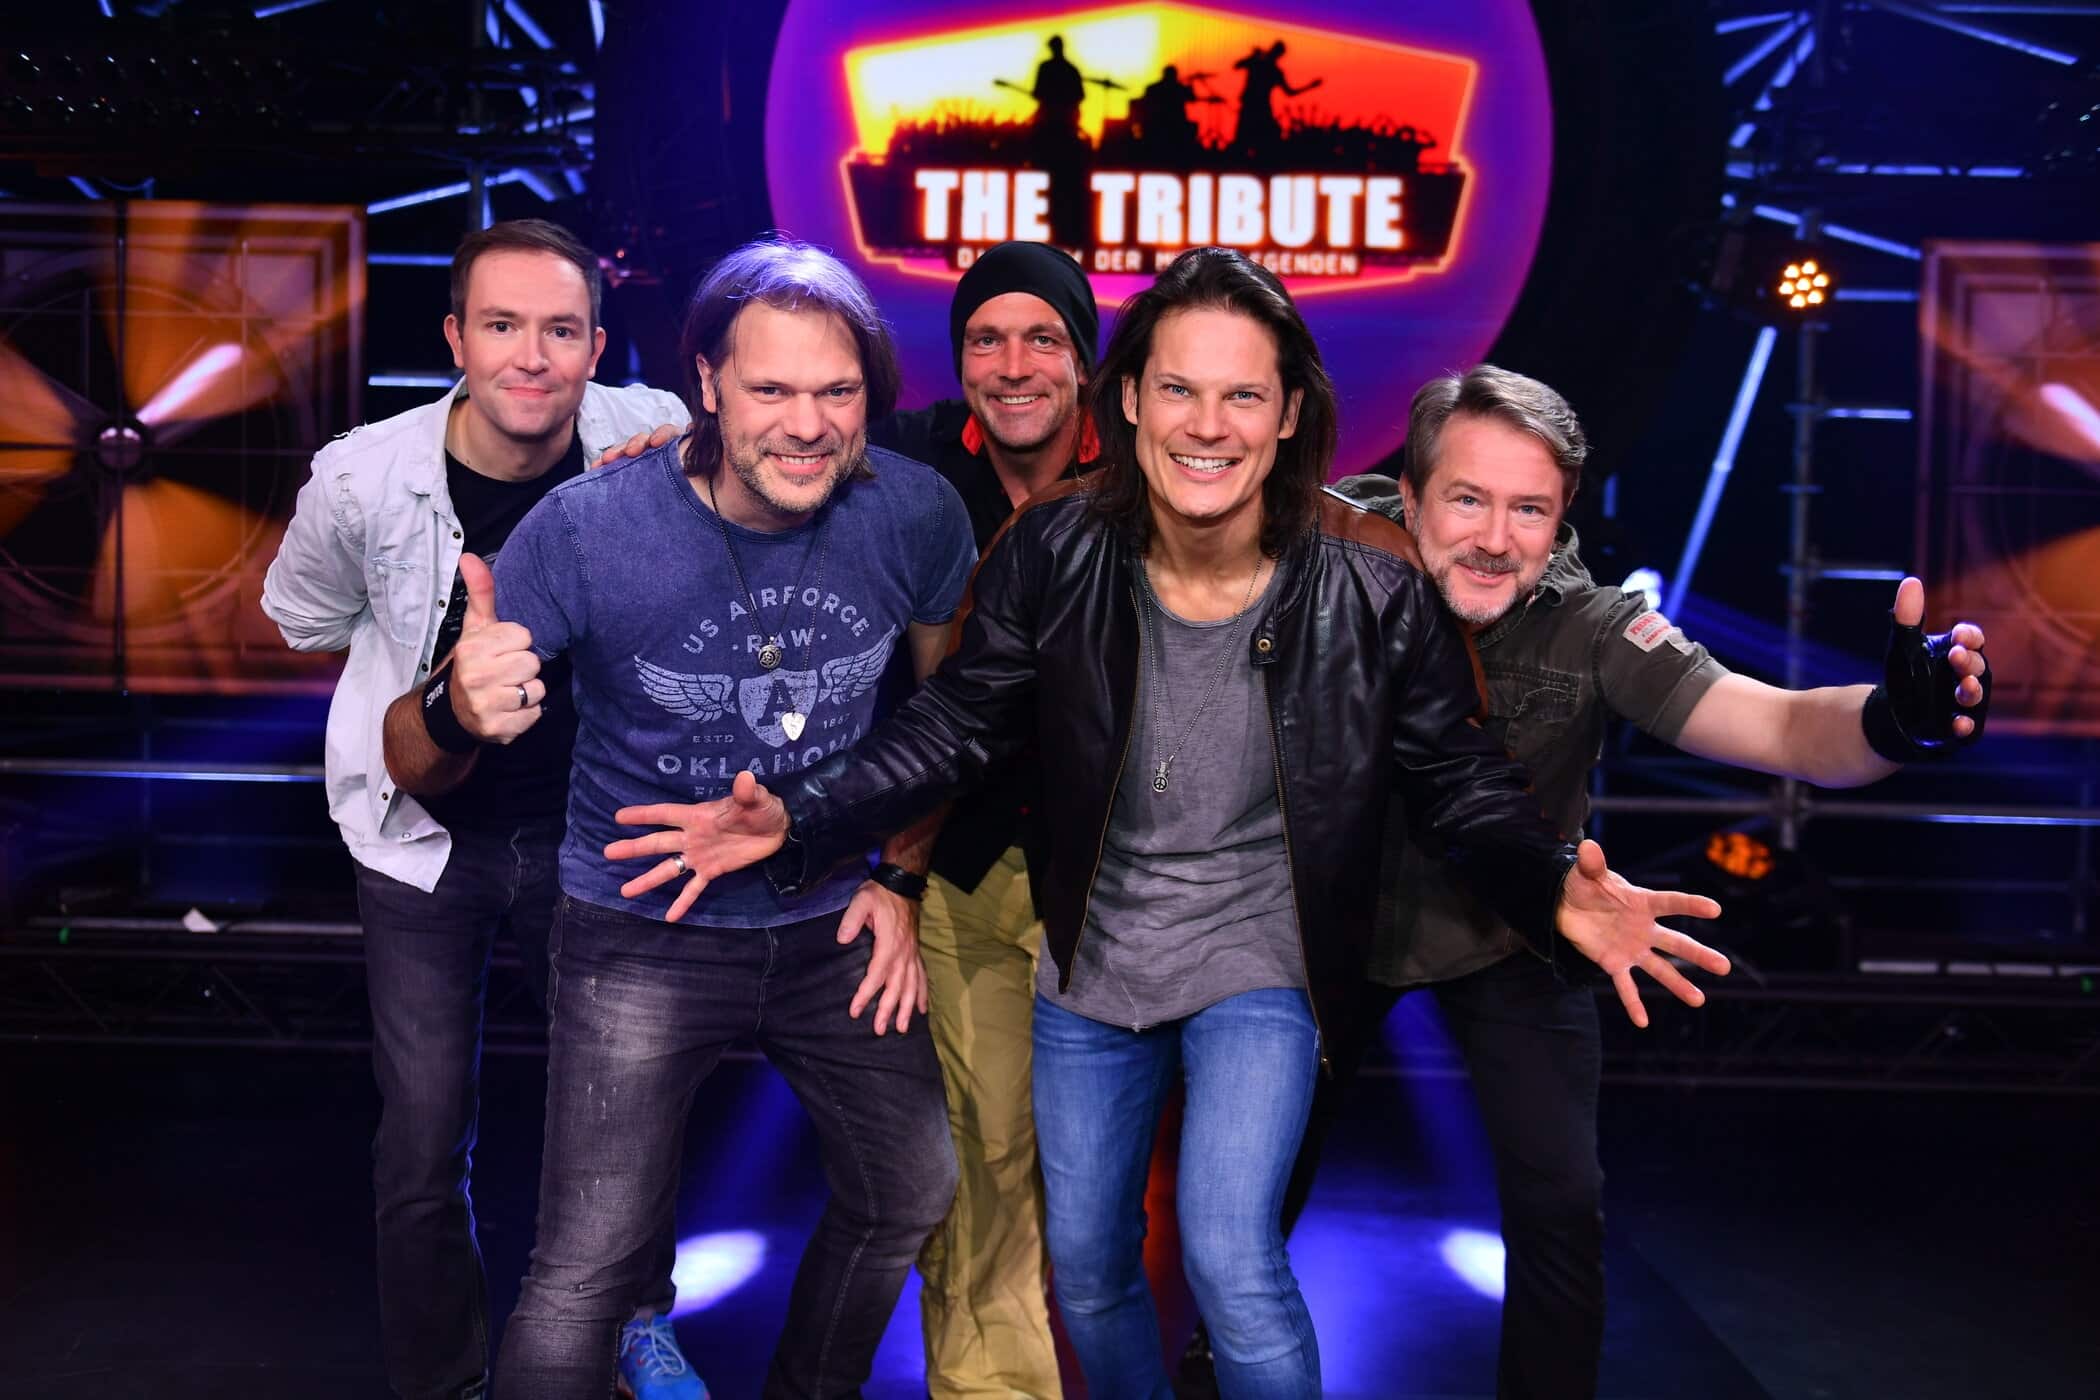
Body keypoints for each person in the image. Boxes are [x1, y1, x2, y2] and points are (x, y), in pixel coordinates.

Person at [602, 248, 1733, 1400]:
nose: (1208, 423)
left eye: (1243, 393)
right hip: (1093, 962)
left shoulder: (1373, 575)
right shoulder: (1054, 546)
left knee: (1230, 1254)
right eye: (1180, 388)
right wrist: (803, 814)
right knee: (1091, 1268)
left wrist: (1548, 879)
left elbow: (1457, 775)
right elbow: (956, 724)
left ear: (1287, 413)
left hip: (1262, 961)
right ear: (1132, 397)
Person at [1183, 363, 1991, 1400]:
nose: (1495, 537)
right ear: (1411, 494)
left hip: (1521, 927)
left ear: (1561, 517)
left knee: (1562, 1207)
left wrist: (1896, 720)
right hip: (1321, 927)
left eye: (1529, 509)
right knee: (1247, 1196)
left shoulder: (1596, 625)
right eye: (1467, 499)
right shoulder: (1316, 555)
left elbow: (1782, 724)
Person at [487, 238, 977, 1400]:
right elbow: (434, 739)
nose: (807, 424)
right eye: (771, 388)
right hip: (639, 925)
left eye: (837, 391)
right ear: (706, 380)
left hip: (826, 919)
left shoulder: (914, 512)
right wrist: (459, 704)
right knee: (586, 1267)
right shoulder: (588, 527)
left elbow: (951, 717)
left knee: (910, 1184)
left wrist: (899, 874)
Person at [260, 218, 703, 1400]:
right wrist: (421, 674)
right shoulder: (364, 479)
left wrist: (676, 473)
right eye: (503, 325)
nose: (532, 356)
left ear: (597, 346)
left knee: (625, 1106)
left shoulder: (655, 433)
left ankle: (636, 1329)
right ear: (456, 337)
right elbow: (301, 616)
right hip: (423, 843)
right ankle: (442, 1380)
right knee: (421, 1137)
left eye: (561, 329)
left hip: (593, 834)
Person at [874, 240, 1098, 1399]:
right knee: (985, 1162)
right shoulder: (906, 463)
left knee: (1105, 1188)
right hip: (959, 864)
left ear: (1085, 359)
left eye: (1042, 338)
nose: (1013, 365)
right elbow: (765, 448)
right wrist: (661, 439)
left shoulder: (1150, 467)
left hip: (1120, 879)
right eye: (986, 339)